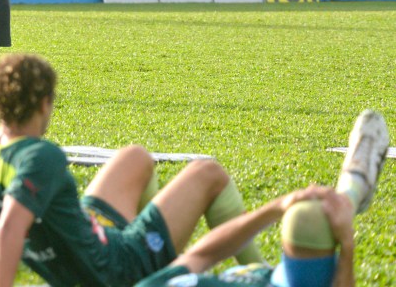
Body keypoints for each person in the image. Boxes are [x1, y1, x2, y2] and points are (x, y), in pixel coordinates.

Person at [0, 54, 264, 287]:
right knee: (208, 172)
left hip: (87, 239)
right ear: (45, 104)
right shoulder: (41, 156)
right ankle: (253, 273)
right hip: (116, 269)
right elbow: (10, 231)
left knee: (135, 157)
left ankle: (158, 251)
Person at [135, 110, 389, 287]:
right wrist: (346, 245)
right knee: (308, 218)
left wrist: (278, 207)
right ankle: (353, 190)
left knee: (299, 211)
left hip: (254, 275)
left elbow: (202, 255)